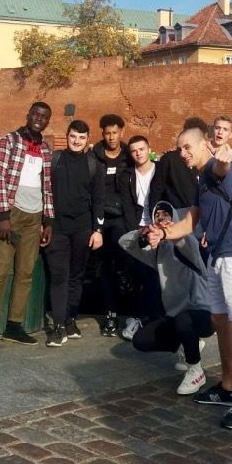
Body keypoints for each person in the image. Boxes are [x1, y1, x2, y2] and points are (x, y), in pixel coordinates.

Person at [148, 126, 232, 429]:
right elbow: (190, 222)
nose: (182, 153)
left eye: (187, 147)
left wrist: (223, 160)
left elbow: (224, 170)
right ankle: (228, 386)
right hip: (217, 256)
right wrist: (163, 233)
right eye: (179, 149)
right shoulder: (201, 181)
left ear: (203, 145)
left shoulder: (216, 169)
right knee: (220, 321)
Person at [0, 102, 54, 358]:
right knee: (0, 272)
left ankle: (14, 325)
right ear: (28, 115)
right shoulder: (9, 141)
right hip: (11, 214)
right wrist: (2, 215)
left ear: (47, 121)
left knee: (25, 273)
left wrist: (49, 221)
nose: (39, 119)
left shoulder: (46, 149)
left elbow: (48, 186)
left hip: (34, 217)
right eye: (36, 114)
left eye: (44, 117)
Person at [120, 202, 214, 395]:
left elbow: (181, 237)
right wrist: (144, 233)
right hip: (175, 315)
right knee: (140, 340)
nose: (161, 219)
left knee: (184, 320)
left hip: (203, 312)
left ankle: (195, 370)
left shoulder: (188, 243)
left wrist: (167, 232)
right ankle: (186, 346)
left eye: (166, 215)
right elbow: (124, 241)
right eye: (157, 215)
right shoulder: (157, 251)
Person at [44, 119, 104, 347]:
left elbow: (99, 199)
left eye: (81, 137)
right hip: (57, 227)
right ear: (67, 136)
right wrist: (44, 223)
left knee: (76, 276)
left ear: (87, 139)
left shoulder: (93, 164)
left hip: (82, 227)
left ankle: (70, 319)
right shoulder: (55, 160)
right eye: (73, 136)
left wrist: (97, 230)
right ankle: (59, 326)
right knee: (59, 276)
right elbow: (44, 191)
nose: (77, 141)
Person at [118, 135, 162, 340]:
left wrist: (159, 227)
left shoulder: (160, 171)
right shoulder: (127, 175)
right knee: (139, 275)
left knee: (156, 275)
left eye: (142, 149)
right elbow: (127, 205)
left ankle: (154, 319)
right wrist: (136, 231)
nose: (138, 153)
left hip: (159, 229)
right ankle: (138, 318)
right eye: (134, 151)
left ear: (149, 149)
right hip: (138, 229)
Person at [92, 114, 131, 337]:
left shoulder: (129, 156)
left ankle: (132, 312)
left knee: (124, 261)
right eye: (107, 133)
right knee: (103, 269)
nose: (111, 137)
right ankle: (110, 314)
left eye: (115, 133)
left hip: (121, 219)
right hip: (100, 219)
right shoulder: (94, 156)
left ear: (121, 133)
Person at [148, 117, 207, 211]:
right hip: (180, 213)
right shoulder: (170, 159)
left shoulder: (214, 162)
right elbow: (157, 189)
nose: (183, 154)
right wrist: (156, 213)